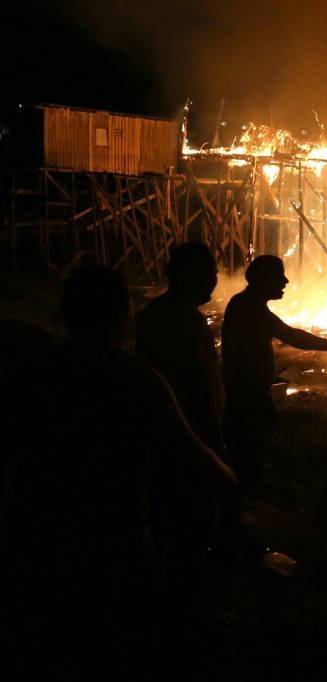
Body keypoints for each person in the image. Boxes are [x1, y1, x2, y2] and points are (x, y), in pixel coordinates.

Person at [0, 266, 236, 678]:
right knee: (115, 636)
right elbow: (186, 447)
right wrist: (226, 478)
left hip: (41, 529)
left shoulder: (36, 373)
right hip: (113, 531)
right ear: (120, 316)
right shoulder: (134, 378)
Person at [221, 255, 327, 482]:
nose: (285, 281)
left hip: (246, 390)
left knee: (250, 448)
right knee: (248, 453)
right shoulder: (249, 308)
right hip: (246, 393)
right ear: (264, 279)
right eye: (279, 276)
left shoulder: (246, 305)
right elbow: (291, 335)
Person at [136, 241, 223, 449]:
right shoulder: (186, 320)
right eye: (211, 274)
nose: (214, 281)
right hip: (188, 432)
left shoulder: (156, 312)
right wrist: (212, 435)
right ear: (193, 277)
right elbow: (197, 382)